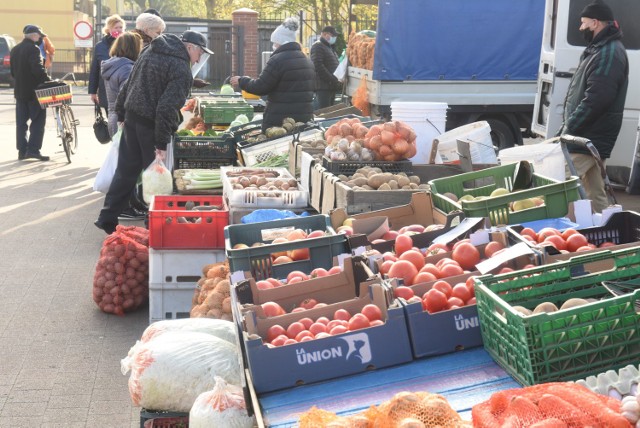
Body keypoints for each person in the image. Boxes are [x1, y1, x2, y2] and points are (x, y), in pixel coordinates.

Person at [94, 30, 211, 234]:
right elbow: (166, 108)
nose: (199, 58)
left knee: (126, 171)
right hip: (151, 125)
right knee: (156, 177)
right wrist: (160, 144)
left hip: (132, 118)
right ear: (190, 47)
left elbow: (130, 84)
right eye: (200, 52)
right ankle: (153, 223)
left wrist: (121, 111)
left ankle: (107, 217)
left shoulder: (151, 50)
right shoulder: (181, 68)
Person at [557, 0, 629, 212]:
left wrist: (569, 128)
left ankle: (555, 231)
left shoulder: (609, 53)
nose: (581, 28)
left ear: (595, 23)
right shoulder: (600, 49)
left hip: (587, 138)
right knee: (595, 194)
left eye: (583, 23)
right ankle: (605, 232)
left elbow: (598, 98)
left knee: (557, 184)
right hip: (589, 137)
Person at [230, 18, 314, 130]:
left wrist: (242, 81)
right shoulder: (307, 60)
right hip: (303, 119)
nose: (273, 46)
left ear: (281, 42)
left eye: (275, 43)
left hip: (280, 121)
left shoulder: (277, 60)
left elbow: (261, 87)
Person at [10, 24, 51, 161]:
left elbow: (12, 72)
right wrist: (47, 80)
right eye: (39, 36)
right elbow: (37, 69)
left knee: (21, 123)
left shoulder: (15, 49)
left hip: (19, 92)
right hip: (35, 93)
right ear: (34, 35)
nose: (40, 38)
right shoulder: (34, 49)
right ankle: (33, 150)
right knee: (38, 121)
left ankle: (22, 151)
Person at [102, 32, 142, 137]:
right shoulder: (126, 68)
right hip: (123, 121)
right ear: (133, 48)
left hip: (112, 118)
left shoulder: (113, 64)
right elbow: (126, 98)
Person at [89, 14, 125, 116]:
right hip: (106, 89)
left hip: (123, 88)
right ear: (109, 29)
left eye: (121, 27)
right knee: (111, 120)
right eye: (116, 27)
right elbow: (95, 70)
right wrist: (93, 91)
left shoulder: (127, 43)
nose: (119, 30)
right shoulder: (100, 46)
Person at [310, 26, 341, 110]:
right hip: (323, 87)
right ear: (324, 34)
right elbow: (317, 65)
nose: (334, 37)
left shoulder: (328, 47)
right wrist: (331, 79)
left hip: (330, 86)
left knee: (329, 112)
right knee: (323, 112)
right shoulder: (318, 46)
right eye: (332, 35)